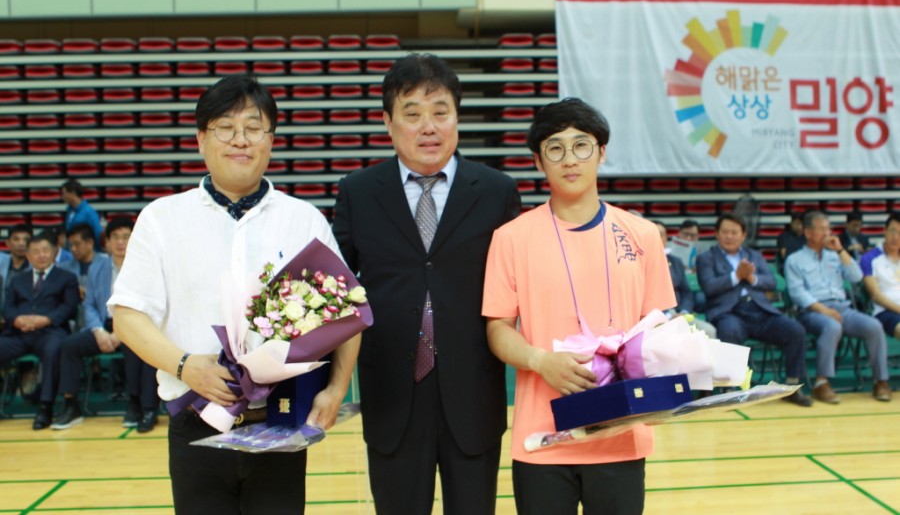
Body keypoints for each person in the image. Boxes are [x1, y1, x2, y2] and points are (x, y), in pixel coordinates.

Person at [111, 74, 360, 514]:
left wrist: (337, 389)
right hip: (195, 424)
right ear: (201, 139)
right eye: (225, 128)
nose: (240, 140)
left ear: (271, 140)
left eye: (253, 128)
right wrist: (185, 366)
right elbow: (127, 316)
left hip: (283, 421)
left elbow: (346, 313)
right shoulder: (162, 219)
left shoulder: (302, 220)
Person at [333, 53, 520, 514]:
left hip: (473, 396)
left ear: (457, 117)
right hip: (392, 396)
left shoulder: (497, 191)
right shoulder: (358, 192)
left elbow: (518, 289)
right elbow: (335, 293)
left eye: (440, 112)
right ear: (388, 122)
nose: (428, 127)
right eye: (412, 114)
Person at [483, 97, 674, 514]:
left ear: (601, 152)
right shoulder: (511, 238)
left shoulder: (642, 235)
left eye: (581, 145)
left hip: (621, 433)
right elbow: (497, 328)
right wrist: (540, 360)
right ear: (539, 161)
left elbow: (657, 328)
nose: (569, 159)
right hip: (542, 439)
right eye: (555, 148)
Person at [52, 218, 160, 432]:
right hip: (104, 325)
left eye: (126, 237)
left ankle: (142, 406)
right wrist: (99, 331)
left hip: (135, 325)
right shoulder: (98, 266)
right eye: (115, 237)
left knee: (141, 348)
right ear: (107, 242)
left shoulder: (146, 266)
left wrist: (121, 333)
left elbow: (150, 304)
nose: (120, 242)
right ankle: (71, 405)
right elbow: (90, 304)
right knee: (69, 346)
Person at [696, 213, 812, 407]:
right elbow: (709, 286)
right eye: (725, 232)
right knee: (728, 330)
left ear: (743, 235)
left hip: (759, 311)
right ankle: (729, 390)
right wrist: (736, 276)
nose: (729, 236)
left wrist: (751, 278)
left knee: (796, 330)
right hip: (729, 312)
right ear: (716, 234)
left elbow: (771, 281)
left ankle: (792, 385)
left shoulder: (754, 256)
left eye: (734, 232)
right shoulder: (706, 258)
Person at [785, 211, 891, 403]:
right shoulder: (794, 260)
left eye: (828, 228)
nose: (827, 233)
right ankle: (821, 383)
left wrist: (841, 251)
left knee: (874, 326)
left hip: (843, 309)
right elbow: (797, 293)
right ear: (808, 232)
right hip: (812, 311)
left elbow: (857, 277)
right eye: (821, 229)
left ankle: (880, 381)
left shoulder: (835, 256)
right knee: (832, 326)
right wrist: (824, 310)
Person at [0, 234, 79, 429]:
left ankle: (46, 407)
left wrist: (46, 320)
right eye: (35, 252)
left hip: (50, 332)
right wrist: (17, 320)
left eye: (45, 250)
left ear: (54, 252)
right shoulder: (18, 280)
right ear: (28, 255)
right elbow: (8, 308)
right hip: (19, 333)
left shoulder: (67, 278)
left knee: (54, 350)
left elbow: (69, 307)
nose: (41, 255)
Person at [652, 220, 716, 339]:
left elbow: (686, 292)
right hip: (656, 317)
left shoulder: (676, 261)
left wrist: (684, 312)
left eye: (661, 234)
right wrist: (668, 315)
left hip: (679, 313)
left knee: (709, 331)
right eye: (653, 234)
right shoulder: (640, 264)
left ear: (666, 238)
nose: (658, 238)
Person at [860, 213, 900, 341]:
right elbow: (875, 296)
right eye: (893, 231)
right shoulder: (869, 259)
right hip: (885, 311)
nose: (895, 237)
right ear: (885, 231)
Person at [59, 223, 101, 302]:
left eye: (77, 244)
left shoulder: (107, 264)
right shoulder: (62, 268)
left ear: (90, 243)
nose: (73, 249)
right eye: (71, 245)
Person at [1, 223, 33, 323]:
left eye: (26, 240)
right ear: (8, 243)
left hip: (27, 320)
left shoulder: (37, 267)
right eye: (16, 239)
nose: (21, 244)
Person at [62, 178, 103, 250]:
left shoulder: (89, 212)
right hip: (72, 251)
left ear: (73, 193)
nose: (63, 196)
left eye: (64, 193)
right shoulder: (69, 210)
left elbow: (98, 233)